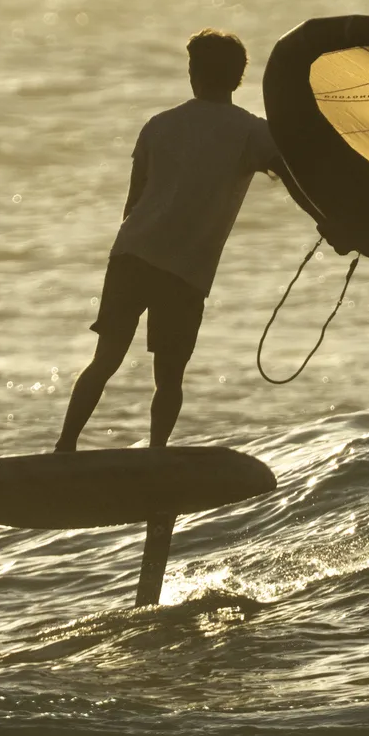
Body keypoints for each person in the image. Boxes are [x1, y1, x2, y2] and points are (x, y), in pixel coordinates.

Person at [55, 29, 278, 451]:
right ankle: (157, 455)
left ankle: (65, 445)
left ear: (193, 73)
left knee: (105, 360)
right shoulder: (253, 133)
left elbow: (132, 202)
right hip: (186, 271)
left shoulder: (159, 125)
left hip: (133, 253)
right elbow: (292, 174)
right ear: (237, 80)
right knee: (170, 377)